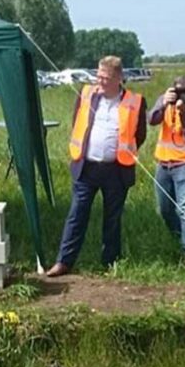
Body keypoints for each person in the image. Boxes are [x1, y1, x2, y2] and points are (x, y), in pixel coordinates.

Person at [46, 55, 147, 277]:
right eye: (98, 76)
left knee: (112, 218)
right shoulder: (86, 94)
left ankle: (110, 262)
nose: (100, 81)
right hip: (86, 167)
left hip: (117, 170)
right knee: (76, 214)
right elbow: (77, 122)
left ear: (119, 79)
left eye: (106, 78)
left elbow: (140, 134)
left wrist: (120, 150)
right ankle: (64, 262)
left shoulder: (135, 101)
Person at [148, 75, 185, 263]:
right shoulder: (166, 100)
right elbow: (152, 120)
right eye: (179, 90)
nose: (182, 94)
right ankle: (180, 236)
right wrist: (163, 104)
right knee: (165, 209)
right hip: (164, 162)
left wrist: (183, 113)